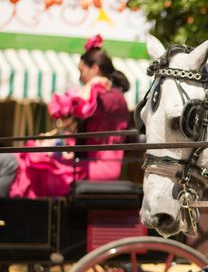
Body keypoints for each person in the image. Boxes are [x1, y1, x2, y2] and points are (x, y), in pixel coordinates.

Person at [0, 34, 130, 198]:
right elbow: (69, 116)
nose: (80, 77)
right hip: (87, 163)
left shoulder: (111, 97)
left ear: (95, 69)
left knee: (33, 165)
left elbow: (70, 106)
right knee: (28, 158)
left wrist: (92, 84)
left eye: (81, 71)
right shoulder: (104, 97)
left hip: (100, 168)